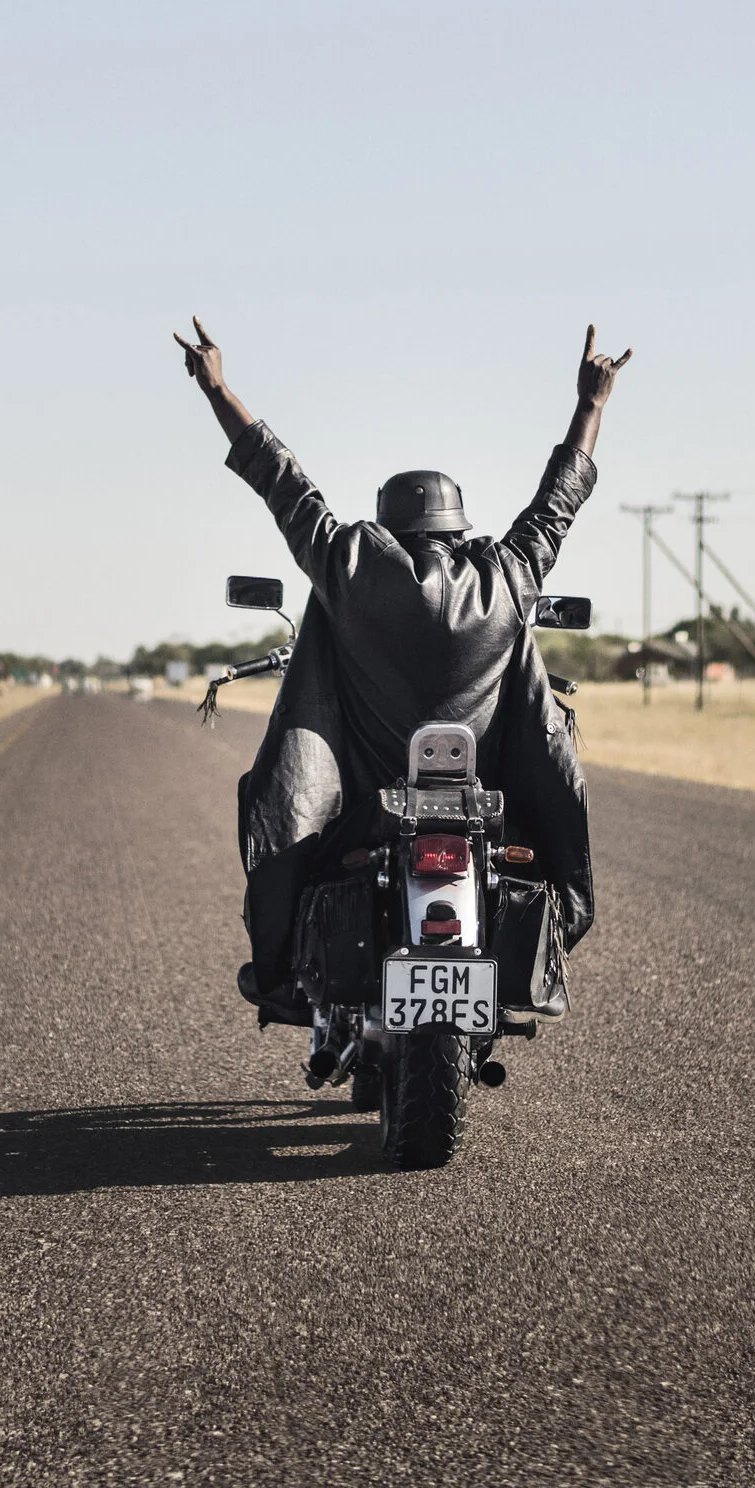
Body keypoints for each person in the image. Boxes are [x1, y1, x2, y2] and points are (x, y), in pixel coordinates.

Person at [172, 318, 630, 1015]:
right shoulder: (507, 574)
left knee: (299, 862)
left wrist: (218, 388)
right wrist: (590, 405)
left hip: (367, 807)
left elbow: (279, 479)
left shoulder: (348, 563)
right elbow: (559, 502)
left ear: (388, 528)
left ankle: (291, 977)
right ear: (459, 533)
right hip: (484, 800)